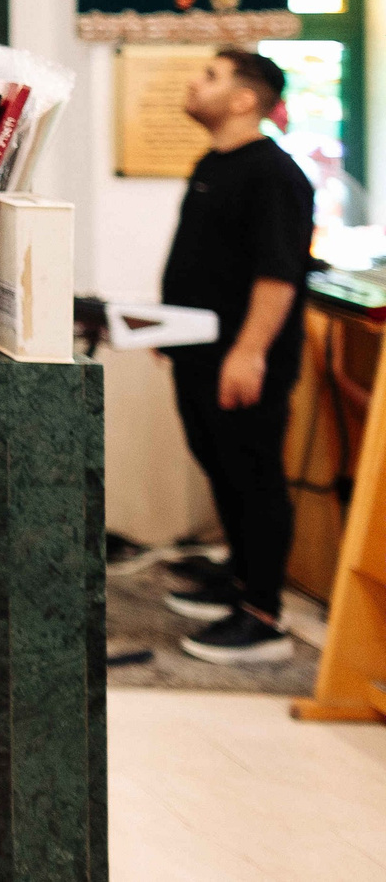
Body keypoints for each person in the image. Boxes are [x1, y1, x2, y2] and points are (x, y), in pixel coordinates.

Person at [156, 48, 313, 666]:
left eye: (212, 76)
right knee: (220, 467)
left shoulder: (274, 174)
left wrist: (248, 353)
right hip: (199, 351)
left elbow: (278, 275)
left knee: (254, 476)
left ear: (246, 99)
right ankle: (239, 578)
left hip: (242, 359)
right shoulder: (215, 163)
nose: (196, 83)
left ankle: (263, 614)